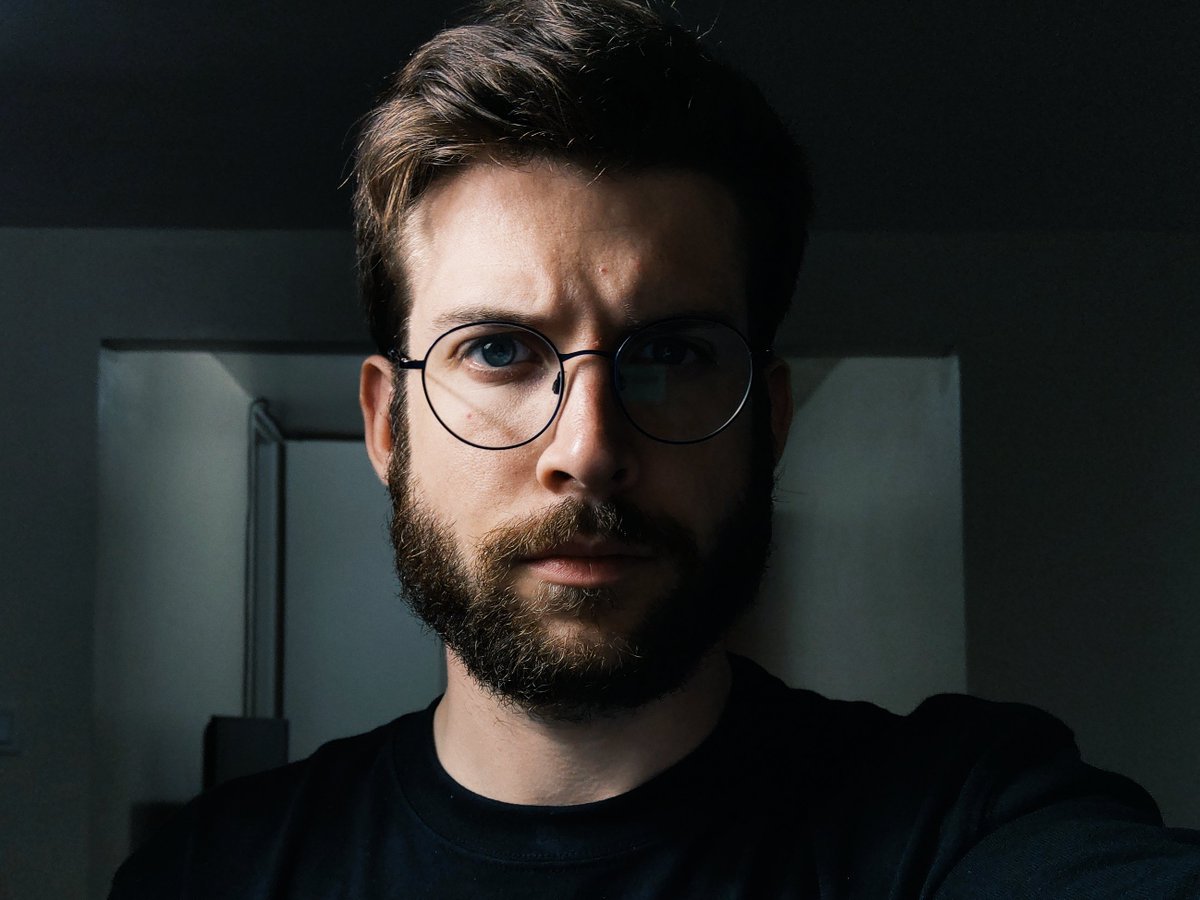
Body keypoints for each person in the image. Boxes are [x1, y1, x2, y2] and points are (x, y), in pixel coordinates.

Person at [110, 0, 1200, 896]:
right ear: (388, 425)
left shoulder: (965, 818)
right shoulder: (213, 874)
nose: (588, 450)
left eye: (671, 354)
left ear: (769, 419)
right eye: (498, 350)